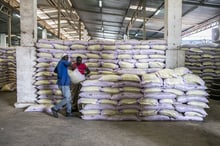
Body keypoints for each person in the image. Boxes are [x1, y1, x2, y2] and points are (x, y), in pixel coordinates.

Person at [51, 54, 73, 118]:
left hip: (61, 83)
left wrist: (61, 71)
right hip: (64, 83)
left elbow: (55, 71)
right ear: (62, 57)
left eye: (67, 57)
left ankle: (68, 112)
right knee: (67, 98)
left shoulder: (59, 63)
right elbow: (70, 64)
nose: (67, 58)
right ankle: (55, 108)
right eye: (65, 57)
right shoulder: (63, 62)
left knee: (69, 98)